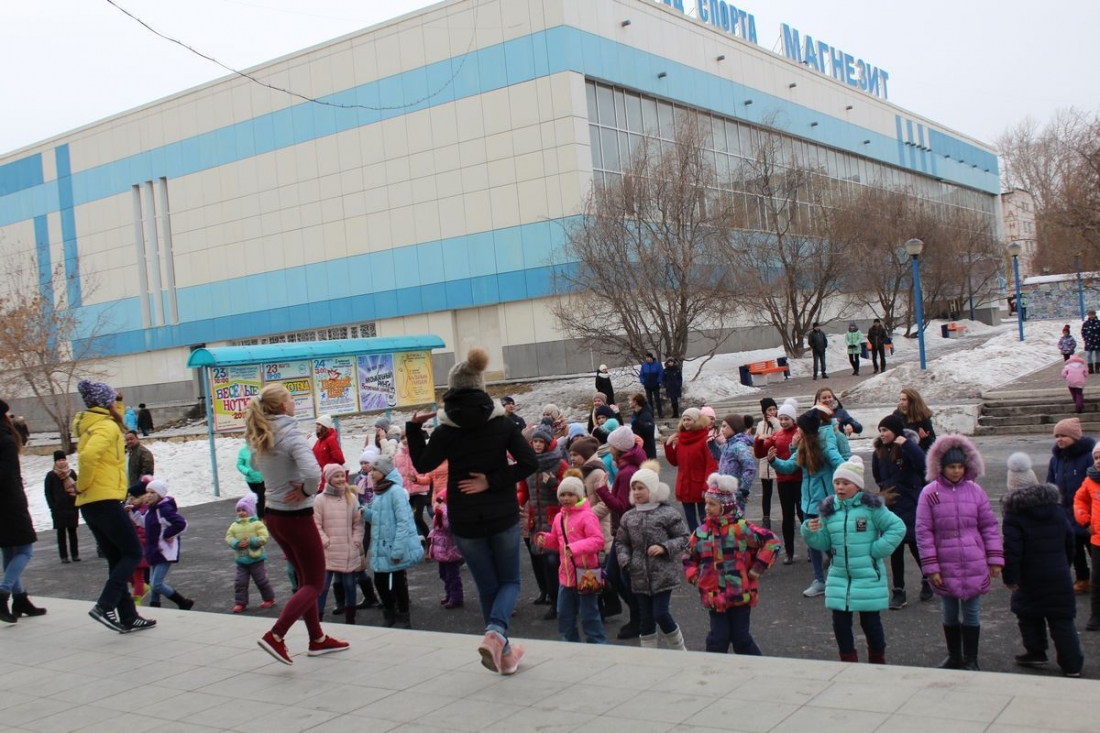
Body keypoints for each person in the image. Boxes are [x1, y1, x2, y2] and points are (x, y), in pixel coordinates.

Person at [406, 347, 538, 675]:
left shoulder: (446, 430)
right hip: (501, 514)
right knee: (510, 581)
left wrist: (413, 428)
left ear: (452, 389)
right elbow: (529, 462)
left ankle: (503, 654)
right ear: (481, 385)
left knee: (488, 586)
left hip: (464, 518)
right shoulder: (503, 424)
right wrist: (492, 481)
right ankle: (496, 633)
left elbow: (422, 464)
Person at [245, 382, 348, 665]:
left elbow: (255, 466)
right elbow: (314, 473)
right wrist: (305, 490)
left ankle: (317, 639)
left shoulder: (264, 433)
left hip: (273, 515)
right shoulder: (291, 434)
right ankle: (276, 635)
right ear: (282, 406)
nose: (294, 402)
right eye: (291, 398)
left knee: (304, 578)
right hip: (296, 516)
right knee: (315, 581)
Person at [801, 456, 905, 663]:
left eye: (845, 483)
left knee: (870, 623)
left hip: (867, 575)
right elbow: (824, 542)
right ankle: (848, 661)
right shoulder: (829, 509)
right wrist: (809, 532)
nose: (840, 487)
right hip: (839, 575)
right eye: (837, 482)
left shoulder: (871, 507)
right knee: (840, 623)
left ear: (857, 486)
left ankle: (877, 660)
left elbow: (897, 527)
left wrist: (876, 550)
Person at [74, 380, 156, 633]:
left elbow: (112, 416)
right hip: (105, 500)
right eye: (112, 400)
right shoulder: (107, 427)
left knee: (117, 558)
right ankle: (105, 604)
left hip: (92, 504)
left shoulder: (94, 423)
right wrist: (82, 485)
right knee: (133, 552)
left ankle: (128, 616)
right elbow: (88, 457)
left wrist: (117, 401)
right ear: (105, 403)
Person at [917, 434, 1004, 671]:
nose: (956, 471)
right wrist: (931, 566)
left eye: (960, 466)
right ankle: (954, 656)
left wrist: (995, 558)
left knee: (972, 611)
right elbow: (923, 531)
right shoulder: (929, 493)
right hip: (945, 562)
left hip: (973, 561)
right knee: (949, 610)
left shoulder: (976, 491)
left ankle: (971, 659)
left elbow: (988, 526)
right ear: (941, 467)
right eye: (951, 467)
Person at [1004, 452, 1084, 677]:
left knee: (1028, 613)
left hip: (1030, 575)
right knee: (1062, 619)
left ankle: (1036, 651)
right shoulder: (1056, 508)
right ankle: (1072, 664)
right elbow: (1070, 540)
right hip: (1058, 572)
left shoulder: (1014, 514)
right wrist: (1064, 563)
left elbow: (1012, 550)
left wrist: (1011, 577)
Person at [684, 473, 780, 655]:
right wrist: (695, 577)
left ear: (726, 506)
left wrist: (758, 567)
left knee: (741, 639)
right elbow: (688, 556)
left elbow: (771, 541)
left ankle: (758, 667)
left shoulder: (741, 528)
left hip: (740, 594)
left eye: (712, 504)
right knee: (718, 639)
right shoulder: (701, 532)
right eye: (706, 503)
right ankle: (713, 668)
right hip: (714, 596)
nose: (707, 508)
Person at [769, 406, 846, 597]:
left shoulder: (826, 446)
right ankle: (819, 580)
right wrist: (773, 461)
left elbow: (842, 466)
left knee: (827, 542)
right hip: (808, 503)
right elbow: (789, 467)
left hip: (825, 503)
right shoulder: (803, 446)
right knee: (812, 541)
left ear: (808, 429)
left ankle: (841, 574)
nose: (798, 430)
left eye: (801, 427)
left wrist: (841, 487)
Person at [616, 460, 690, 650]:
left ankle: (679, 649)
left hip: (663, 573)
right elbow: (621, 542)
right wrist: (626, 561)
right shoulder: (629, 516)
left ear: (653, 489)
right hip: (638, 574)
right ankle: (648, 655)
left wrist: (664, 547)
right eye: (634, 488)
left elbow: (684, 537)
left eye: (641, 488)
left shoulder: (667, 513)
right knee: (646, 617)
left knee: (660, 613)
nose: (636, 492)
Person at [534, 474, 607, 644]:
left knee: (590, 615)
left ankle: (598, 645)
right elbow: (557, 541)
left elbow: (598, 541)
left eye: (570, 494)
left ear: (579, 496)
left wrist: (575, 548)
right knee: (564, 614)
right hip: (565, 575)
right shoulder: (559, 517)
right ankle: (570, 644)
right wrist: (544, 539)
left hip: (587, 573)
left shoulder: (588, 516)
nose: (566, 498)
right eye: (563, 495)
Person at [871, 414, 930, 609]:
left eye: (885, 430)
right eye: (880, 431)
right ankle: (898, 591)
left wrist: (907, 444)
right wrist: (884, 491)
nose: (882, 434)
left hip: (910, 504)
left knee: (914, 545)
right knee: (895, 549)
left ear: (896, 432)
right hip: (891, 505)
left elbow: (923, 465)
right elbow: (878, 475)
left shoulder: (907, 448)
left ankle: (928, 579)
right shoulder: (879, 451)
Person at [597, 424, 646, 639]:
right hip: (625, 531)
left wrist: (602, 491)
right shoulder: (628, 467)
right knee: (615, 575)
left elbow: (622, 507)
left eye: (611, 446)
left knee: (621, 577)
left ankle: (639, 617)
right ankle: (639, 616)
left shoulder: (627, 472)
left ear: (618, 448)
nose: (609, 450)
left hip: (626, 532)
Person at [0, 404, 45, 623]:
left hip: (5, 503)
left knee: (9, 550)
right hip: (10, 503)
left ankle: (20, 599)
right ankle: (3, 593)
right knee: (25, 550)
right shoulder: (6, 440)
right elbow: (5, 475)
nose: (11, 416)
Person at [521, 424, 567, 618]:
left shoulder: (559, 464)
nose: (538, 445)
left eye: (541, 441)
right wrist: (518, 503)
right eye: (535, 441)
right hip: (536, 520)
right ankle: (548, 594)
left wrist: (554, 484)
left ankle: (558, 602)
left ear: (548, 443)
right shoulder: (529, 464)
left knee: (551, 560)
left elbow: (571, 491)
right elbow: (523, 489)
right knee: (540, 559)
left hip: (554, 520)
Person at [1047, 418, 1095, 593]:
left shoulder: (1088, 456)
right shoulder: (1056, 459)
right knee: (1074, 549)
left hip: (1088, 512)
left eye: (1063, 436)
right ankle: (1082, 578)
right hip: (1066, 511)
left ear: (1074, 437)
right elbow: (1051, 482)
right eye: (1057, 436)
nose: (1059, 439)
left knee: (1093, 548)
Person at [313, 463, 364, 625]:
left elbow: (358, 523)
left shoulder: (351, 498)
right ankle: (317, 621)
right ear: (328, 479)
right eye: (336, 476)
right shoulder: (320, 500)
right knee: (322, 587)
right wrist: (325, 541)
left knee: (350, 586)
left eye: (342, 476)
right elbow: (316, 524)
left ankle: (351, 619)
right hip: (327, 551)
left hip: (348, 549)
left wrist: (356, 541)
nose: (341, 479)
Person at [754, 398, 801, 564]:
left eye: (786, 418)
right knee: (787, 517)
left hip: (799, 480)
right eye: (781, 419)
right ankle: (789, 551)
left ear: (793, 419)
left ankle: (812, 549)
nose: (783, 422)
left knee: (802, 514)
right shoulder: (777, 435)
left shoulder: (799, 433)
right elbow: (760, 453)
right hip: (783, 480)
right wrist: (759, 440)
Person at [140, 478, 193, 610]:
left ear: (160, 494)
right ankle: (155, 605)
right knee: (153, 582)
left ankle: (183, 602)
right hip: (153, 549)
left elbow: (181, 524)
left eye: (152, 492)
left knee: (156, 584)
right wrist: (132, 512)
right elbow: (143, 522)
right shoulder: (151, 509)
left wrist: (168, 534)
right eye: (147, 492)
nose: (149, 495)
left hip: (164, 550)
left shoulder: (164, 509)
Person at [664, 407, 718, 532]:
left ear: (697, 421)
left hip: (700, 486)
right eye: (684, 420)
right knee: (690, 518)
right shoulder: (680, 440)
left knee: (705, 517)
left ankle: (707, 539)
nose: (686, 422)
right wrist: (668, 446)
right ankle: (696, 539)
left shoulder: (705, 440)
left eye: (689, 419)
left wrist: (706, 486)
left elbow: (711, 466)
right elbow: (674, 462)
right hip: (684, 485)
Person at [225, 493, 276, 613]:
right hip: (241, 559)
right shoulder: (234, 525)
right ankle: (240, 603)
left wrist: (252, 541)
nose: (241, 513)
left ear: (250, 511)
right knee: (240, 582)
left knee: (261, 580)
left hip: (256, 558)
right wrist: (236, 543)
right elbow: (228, 537)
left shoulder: (257, 524)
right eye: (239, 510)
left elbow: (264, 537)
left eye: (244, 510)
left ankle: (269, 598)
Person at [1073, 441, 1100, 630]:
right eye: (1096, 458)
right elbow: (1079, 500)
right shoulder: (1090, 480)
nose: (1098, 461)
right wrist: (1085, 521)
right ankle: (1096, 615)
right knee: (1097, 580)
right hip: (1097, 539)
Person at [428, 489, 464, 609]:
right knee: (443, 574)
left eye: (440, 501)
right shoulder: (438, 514)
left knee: (452, 575)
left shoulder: (448, 513)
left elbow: (448, 526)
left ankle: (456, 597)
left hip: (449, 550)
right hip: (441, 550)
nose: (437, 504)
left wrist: (442, 513)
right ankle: (449, 594)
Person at [44, 450, 80, 563]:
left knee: (73, 532)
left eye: (63, 459)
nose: (61, 462)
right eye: (59, 460)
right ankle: (63, 556)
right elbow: (48, 492)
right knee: (61, 533)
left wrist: (77, 502)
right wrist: (52, 505)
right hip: (58, 509)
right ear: (55, 462)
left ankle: (75, 554)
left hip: (72, 507)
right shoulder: (51, 475)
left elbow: (77, 487)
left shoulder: (72, 473)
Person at [715, 414, 757, 509]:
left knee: (735, 517)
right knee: (725, 517)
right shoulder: (728, 444)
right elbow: (718, 456)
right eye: (722, 426)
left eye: (725, 426)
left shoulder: (739, 447)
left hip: (736, 494)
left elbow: (750, 469)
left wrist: (743, 489)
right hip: (724, 492)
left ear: (734, 427)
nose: (722, 430)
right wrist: (711, 444)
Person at [754, 399, 779, 530]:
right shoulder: (760, 424)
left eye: (774, 409)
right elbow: (756, 441)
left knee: (783, 491)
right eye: (769, 410)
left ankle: (789, 516)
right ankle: (766, 518)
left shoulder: (780, 421)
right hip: (764, 460)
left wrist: (775, 422)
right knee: (766, 492)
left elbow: (781, 435)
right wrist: (759, 439)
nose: (772, 412)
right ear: (764, 412)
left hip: (778, 459)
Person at [312, 415, 345, 490]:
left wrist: (328, 469)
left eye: (319, 424)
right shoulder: (318, 442)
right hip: (319, 479)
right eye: (316, 424)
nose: (316, 427)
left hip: (329, 480)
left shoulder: (331, 440)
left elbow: (340, 460)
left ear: (324, 426)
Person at [236, 443, 266, 518]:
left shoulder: (262, 448)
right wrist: (247, 471)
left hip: (263, 479)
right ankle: (254, 515)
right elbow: (239, 464)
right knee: (256, 499)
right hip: (251, 480)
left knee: (260, 498)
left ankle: (261, 517)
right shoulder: (243, 451)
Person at [629, 392, 656, 459]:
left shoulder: (646, 414)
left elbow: (649, 429)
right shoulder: (636, 413)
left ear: (635, 402)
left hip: (647, 450)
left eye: (630, 400)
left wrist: (636, 423)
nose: (629, 402)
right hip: (640, 447)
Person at [639, 352, 664, 418]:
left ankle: (660, 414)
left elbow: (661, 374)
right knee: (649, 400)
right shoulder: (644, 365)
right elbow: (641, 375)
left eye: (648, 357)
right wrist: (643, 381)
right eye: (646, 358)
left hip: (655, 384)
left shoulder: (657, 365)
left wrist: (658, 381)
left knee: (657, 399)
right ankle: (651, 414)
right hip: (647, 385)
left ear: (651, 358)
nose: (647, 359)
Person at [1083, 310, 1100, 374]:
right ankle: (1090, 369)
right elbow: (1083, 331)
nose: (1091, 316)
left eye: (1092, 314)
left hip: (1098, 341)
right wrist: (1085, 338)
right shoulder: (1086, 323)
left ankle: (1097, 369)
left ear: (1095, 315)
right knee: (1088, 355)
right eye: (1090, 315)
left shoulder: (1098, 323)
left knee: (1098, 355)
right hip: (1089, 342)